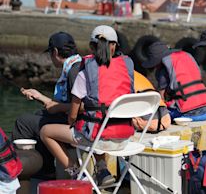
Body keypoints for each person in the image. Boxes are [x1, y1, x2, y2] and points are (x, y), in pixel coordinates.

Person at [40, 25, 135, 185]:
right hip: (125, 137)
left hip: (100, 138)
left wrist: (71, 120)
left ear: (91, 47)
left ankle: (78, 174)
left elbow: (72, 115)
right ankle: (102, 169)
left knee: (46, 132)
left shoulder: (86, 73)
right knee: (97, 125)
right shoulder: (126, 68)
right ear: (115, 46)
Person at [12, 32, 81, 178]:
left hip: (77, 126)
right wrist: (41, 97)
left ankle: (36, 174)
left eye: (50, 53)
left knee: (23, 122)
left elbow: (81, 106)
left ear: (55, 52)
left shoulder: (73, 73)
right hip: (81, 122)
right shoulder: (78, 65)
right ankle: (46, 169)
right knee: (39, 115)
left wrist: (56, 107)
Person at [142, 41, 206, 121]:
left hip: (188, 113)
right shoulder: (187, 56)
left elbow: (161, 99)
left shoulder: (163, 68)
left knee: (154, 114)